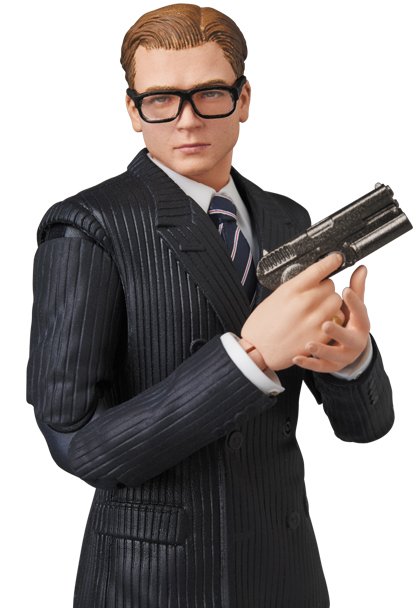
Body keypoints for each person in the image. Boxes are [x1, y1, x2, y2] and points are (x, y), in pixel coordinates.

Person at [27, 4, 394, 607]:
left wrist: (351, 360)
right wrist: (249, 360)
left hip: (283, 566)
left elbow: (365, 427)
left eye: (210, 94)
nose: (187, 120)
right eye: (161, 100)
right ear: (133, 110)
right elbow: (76, 442)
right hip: (156, 577)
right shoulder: (89, 225)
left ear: (243, 99)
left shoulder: (286, 219)